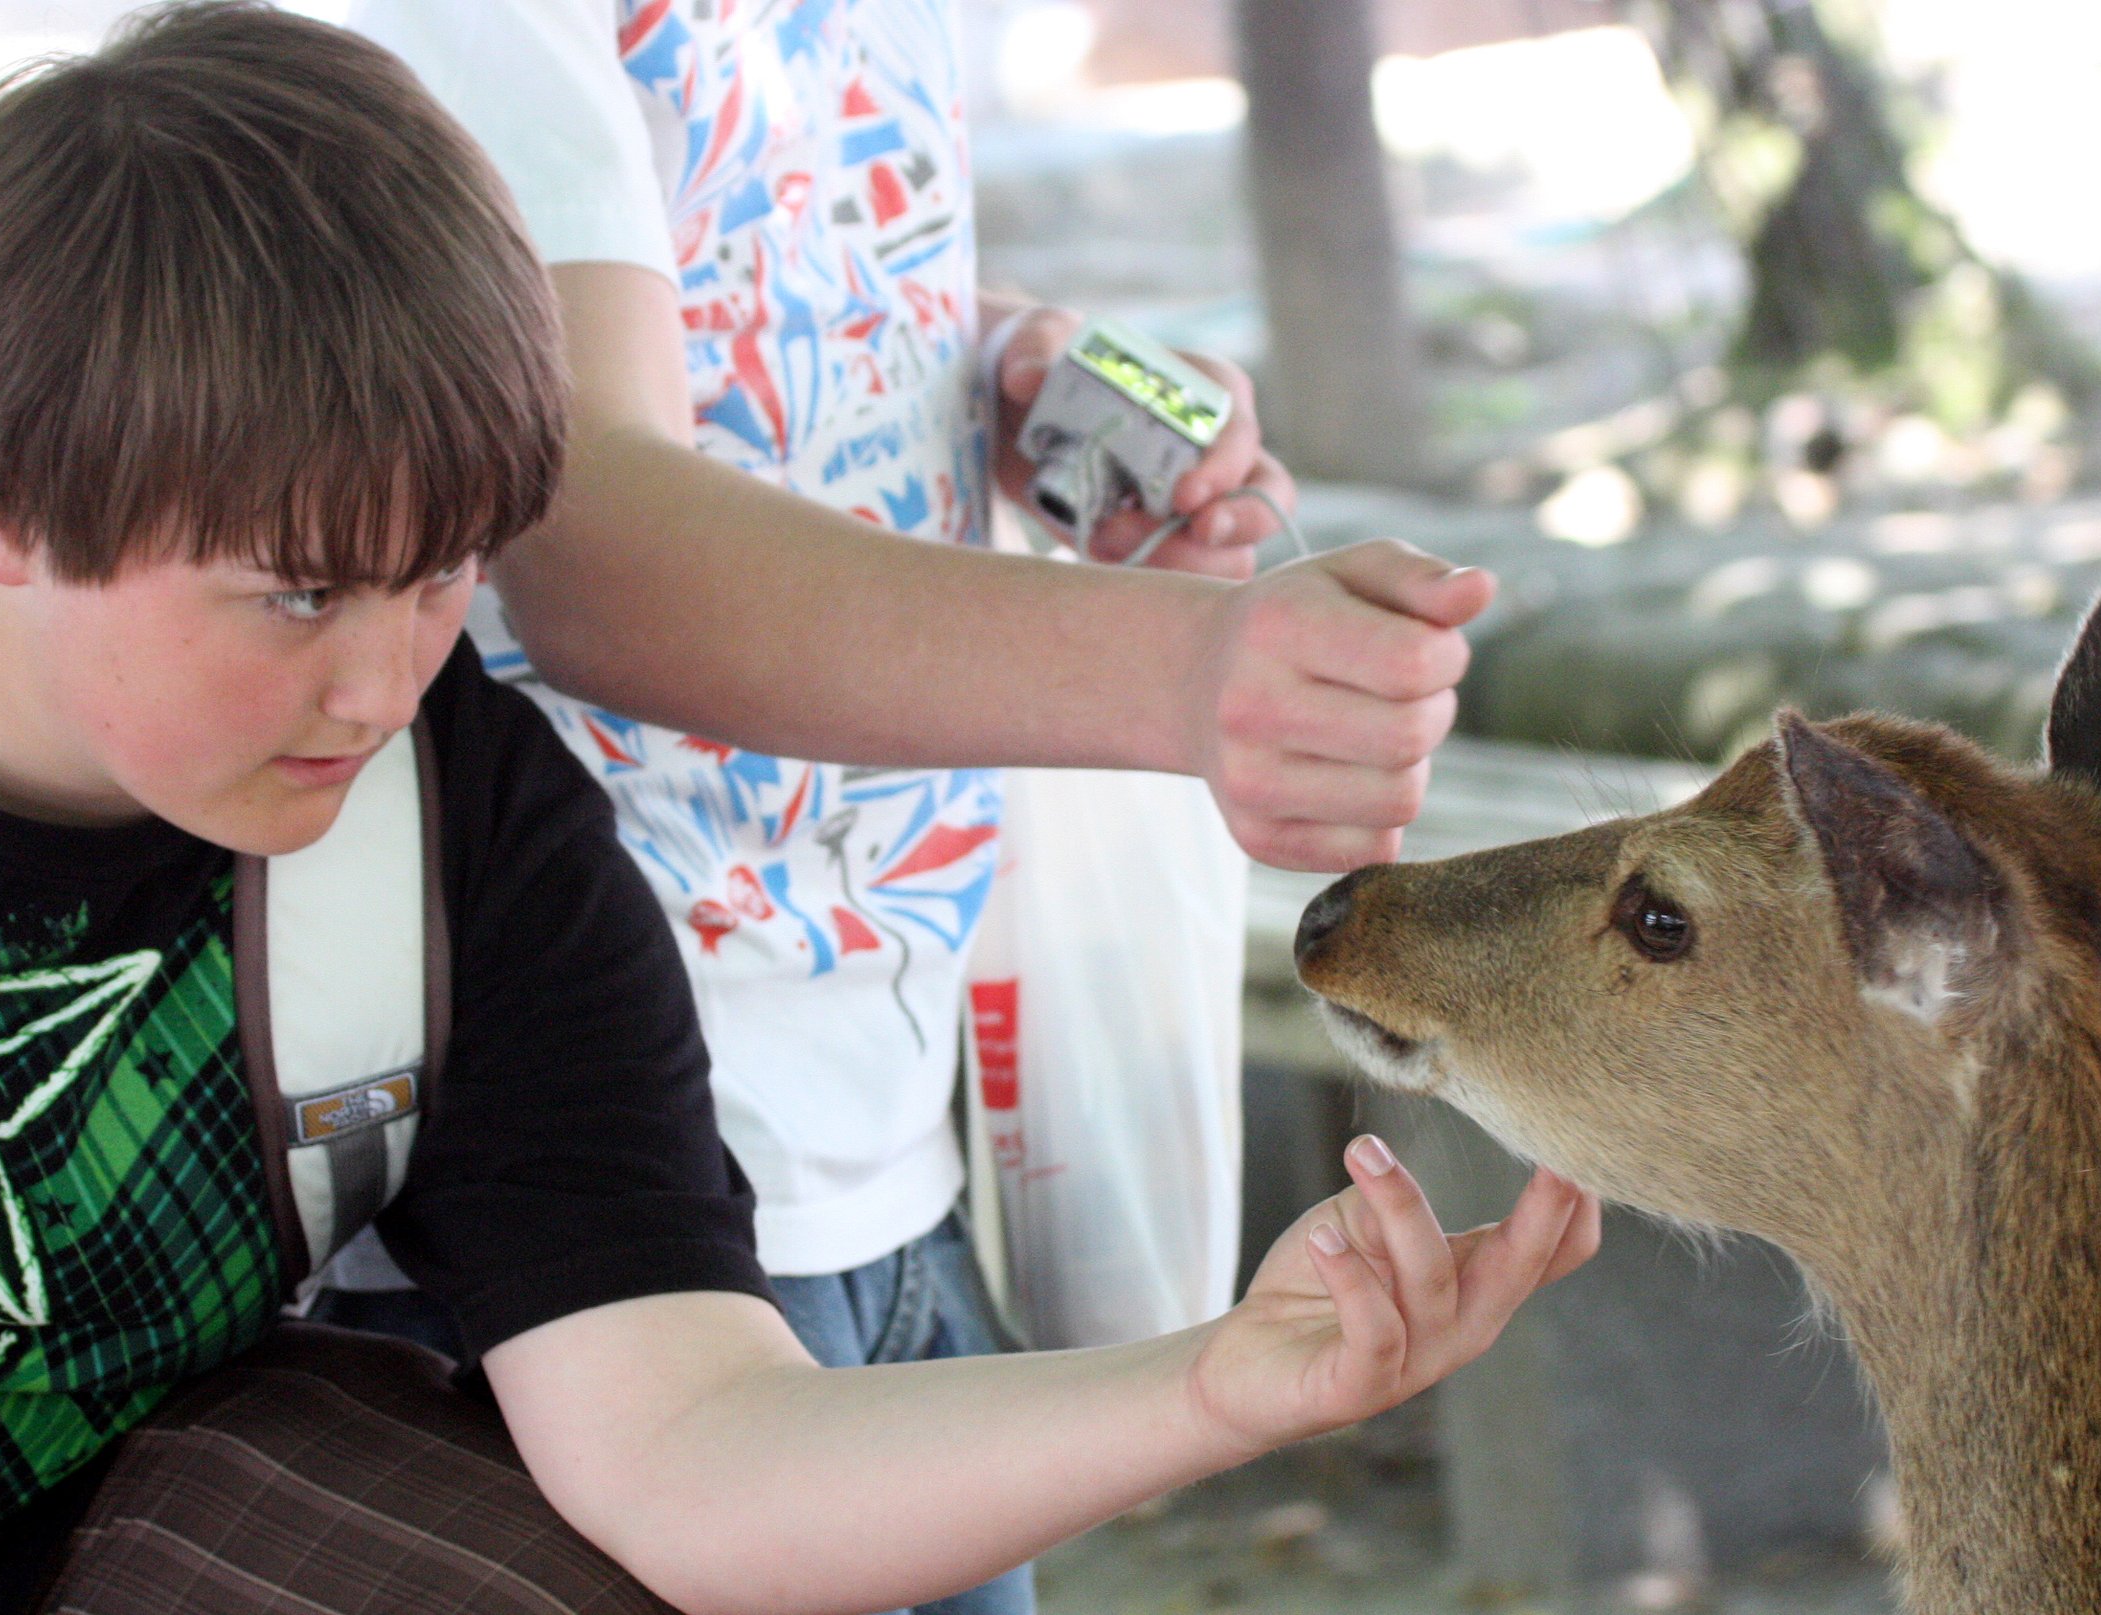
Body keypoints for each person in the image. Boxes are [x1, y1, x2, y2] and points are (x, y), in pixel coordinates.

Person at [0, 8, 1597, 1614]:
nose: (384, 688)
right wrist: (1183, 673)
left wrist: (1223, 1382)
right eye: (297, 594)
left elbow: (688, 1453)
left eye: (446, 574)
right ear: (0, 500)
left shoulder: (457, 829)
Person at [335, 14, 1500, 1607]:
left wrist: (1008, 366)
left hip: (891, 1129)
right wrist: (1184, 676)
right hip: (595, 1199)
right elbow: (580, 524)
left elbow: (760, 279)